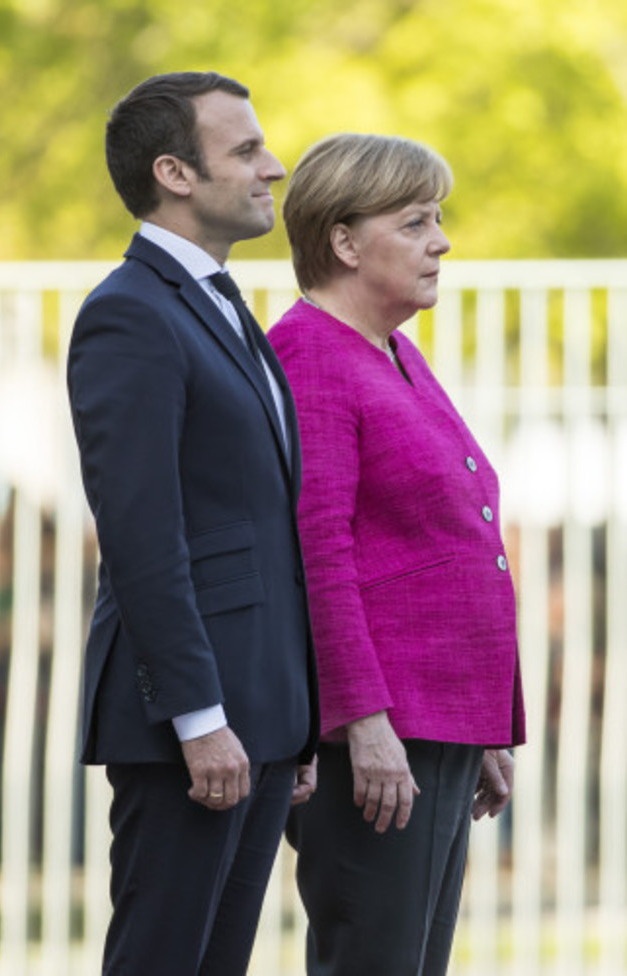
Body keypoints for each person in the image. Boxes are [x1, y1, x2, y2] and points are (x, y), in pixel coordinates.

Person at [66, 71, 319, 976]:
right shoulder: (129, 315)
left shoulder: (225, 306)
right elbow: (143, 537)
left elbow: (259, 524)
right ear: (174, 172)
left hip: (258, 716)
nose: (275, 167)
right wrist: (199, 717)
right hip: (190, 724)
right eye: (247, 150)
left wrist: (292, 715)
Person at [268, 133, 525, 976]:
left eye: (438, 219)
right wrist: (361, 721)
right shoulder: (311, 356)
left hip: (436, 719)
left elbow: (453, 539)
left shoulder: (392, 353)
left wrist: (486, 726)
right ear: (343, 241)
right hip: (381, 732)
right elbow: (320, 553)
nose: (441, 241)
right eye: (415, 222)